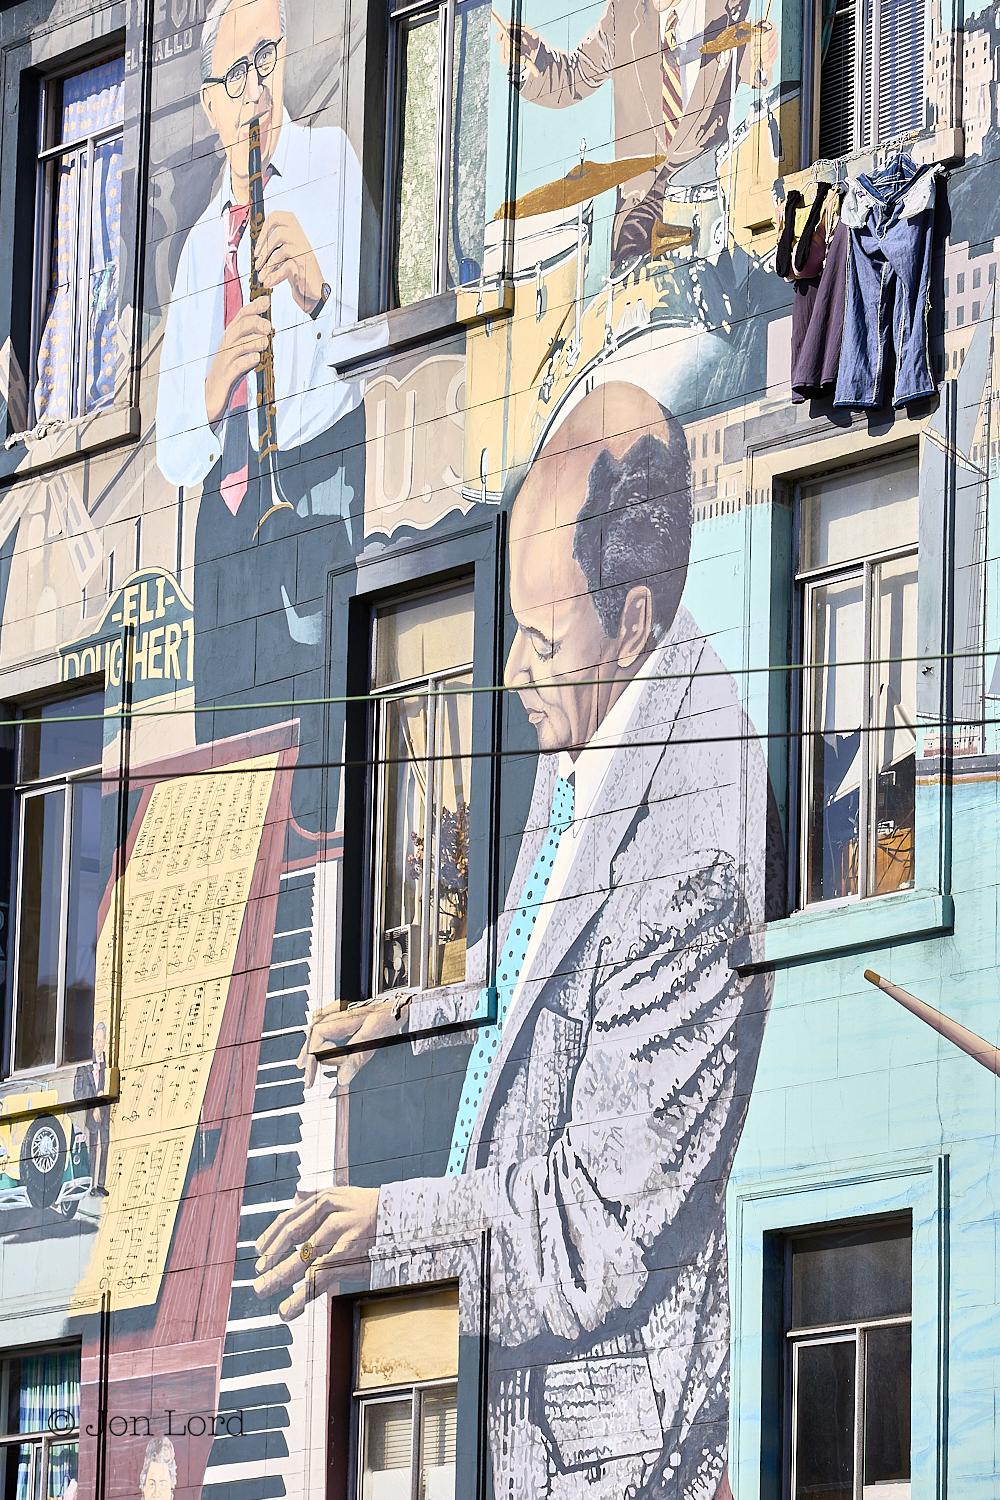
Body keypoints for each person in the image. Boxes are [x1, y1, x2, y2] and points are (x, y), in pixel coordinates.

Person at [254, 383, 775, 1497]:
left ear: (629, 619)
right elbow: (534, 949)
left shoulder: (693, 853)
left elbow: (594, 1225)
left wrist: (386, 1231)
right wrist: (408, 1013)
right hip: (532, 1419)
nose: (508, 675)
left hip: (611, 1457)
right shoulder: (604, 697)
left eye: (537, 641)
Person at [155, 0, 365, 821]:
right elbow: (174, 452)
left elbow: (367, 356)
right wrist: (214, 387)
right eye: (237, 75)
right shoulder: (202, 244)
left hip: (314, 482)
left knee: (317, 750)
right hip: (228, 518)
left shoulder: (329, 163)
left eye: (268, 59)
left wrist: (314, 293)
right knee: (230, 767)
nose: (257, 90)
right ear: (210, 104)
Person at [496, 0, 776, 269]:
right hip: (640, 206)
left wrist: (763, 58)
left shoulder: (728, 5)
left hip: (705, 194)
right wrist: (530, 58)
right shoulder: (624, 12)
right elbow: (574, 76)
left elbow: (752, 60)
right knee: (633, 296)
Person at [73, 1021, 109, 1198]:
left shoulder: (106, 1062)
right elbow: (77, 1093)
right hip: (92, 1113)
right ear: (92, 1041)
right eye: (97, 1040)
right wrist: (94, 1102)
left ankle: (100, 1184)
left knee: (106, 1144)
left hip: (105, 1112)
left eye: (102, 1041)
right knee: (93, 1148)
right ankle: (90, 1183)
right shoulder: (84, 1064)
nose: (99, 1045)